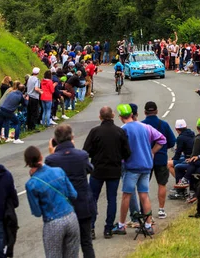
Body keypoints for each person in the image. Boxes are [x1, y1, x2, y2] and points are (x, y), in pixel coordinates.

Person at [112, 104, 166, 236]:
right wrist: (152, 152)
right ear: (132, 114)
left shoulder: (123, 130)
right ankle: (148, 225)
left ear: (120, 116)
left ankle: (121, 225)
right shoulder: (145, 127)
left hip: (132, 166)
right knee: (144, 195)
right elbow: (162, 139)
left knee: (126, 195)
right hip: (146, 165)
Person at [45, 125, 96, 258]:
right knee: (86, 243)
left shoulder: (52, 160)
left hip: (62, 209)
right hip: (83, 204)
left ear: (55, 140)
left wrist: (53, 154)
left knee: (65, 246)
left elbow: (48, 177)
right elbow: (90, 169)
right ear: (72, 137)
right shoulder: (82, 155)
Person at [83, 107, 132, 239]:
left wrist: (96, 154)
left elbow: (86, 151)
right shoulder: (120, 132)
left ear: (100, 117)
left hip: (97, 169)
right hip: (114, 170)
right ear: (113, 115)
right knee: (112, 199)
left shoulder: (95, 132)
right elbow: (127, 152)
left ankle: (91, 228)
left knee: (92, 198)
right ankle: (108, 229)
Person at [25, 145, 81, 258]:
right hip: (70, 217)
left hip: (52, 222)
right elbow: (73, 194)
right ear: (41, 156)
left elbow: (37, 212)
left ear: (28, 163)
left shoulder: (32, 184)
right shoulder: (58, 171)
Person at [141, 101, 176, 219]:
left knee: (144, 185)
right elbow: (171, 141)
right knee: (162, 184)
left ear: (145, 112)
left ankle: (145, 211)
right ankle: (161, 210)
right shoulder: (164, 125)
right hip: (161, 158)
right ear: (156, 111)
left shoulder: (141, 125)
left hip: (145, 159)